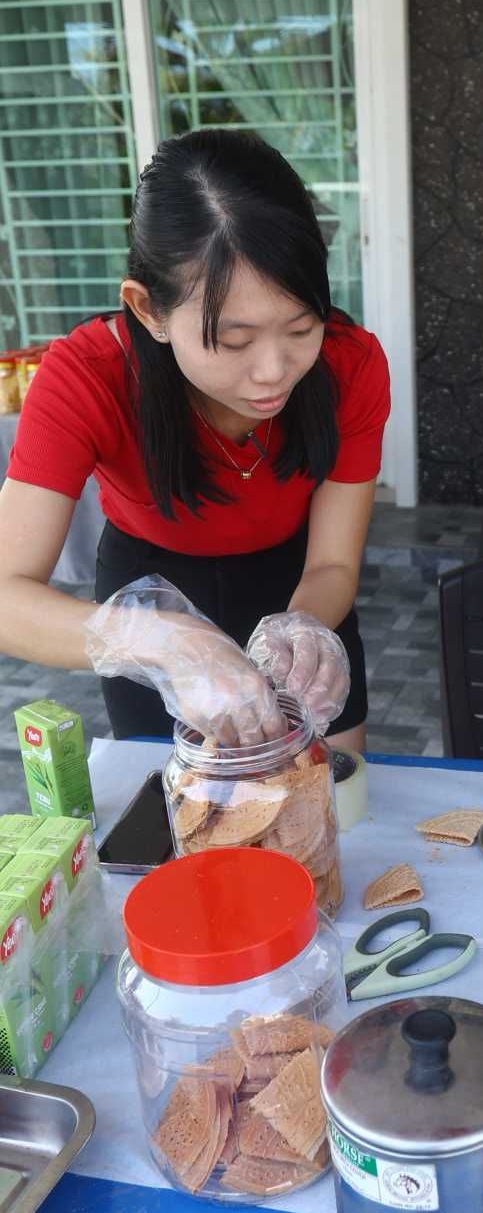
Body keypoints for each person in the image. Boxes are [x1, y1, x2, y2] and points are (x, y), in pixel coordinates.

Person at [0, 129, 390, 748]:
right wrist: (157, 640)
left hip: (297, 583)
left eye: (300, 327)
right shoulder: (87, 375)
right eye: (233, 340)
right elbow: (6, 596)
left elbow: (334, 562)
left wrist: (307, 627)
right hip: (148, 587)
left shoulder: (351, 365)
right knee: (182, 808)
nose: (273, 370)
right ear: (148, 310)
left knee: (330, 795)